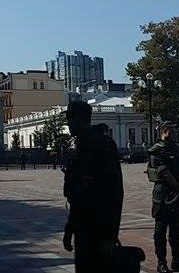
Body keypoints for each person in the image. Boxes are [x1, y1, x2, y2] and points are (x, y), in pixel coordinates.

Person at [62, 101, 127, 273]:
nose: (68, 124)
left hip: (99, 228)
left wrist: (110, 235)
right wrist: (70, 229)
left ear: (78, 119)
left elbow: (115, 192)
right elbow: (76, 196)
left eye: (69, 119)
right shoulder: (79, 147)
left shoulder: (102, 145)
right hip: (83, 228)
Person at [149, 122, 179, 273]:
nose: (175, 134)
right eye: (172, 131)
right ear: (165, 131)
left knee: (176, 227)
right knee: (160, 229)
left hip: (177, 192)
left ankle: (177, 259)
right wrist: (176, 184)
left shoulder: (177, 149)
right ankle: (161, 262)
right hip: (163, 192)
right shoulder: (156, 150)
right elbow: (162, 171)